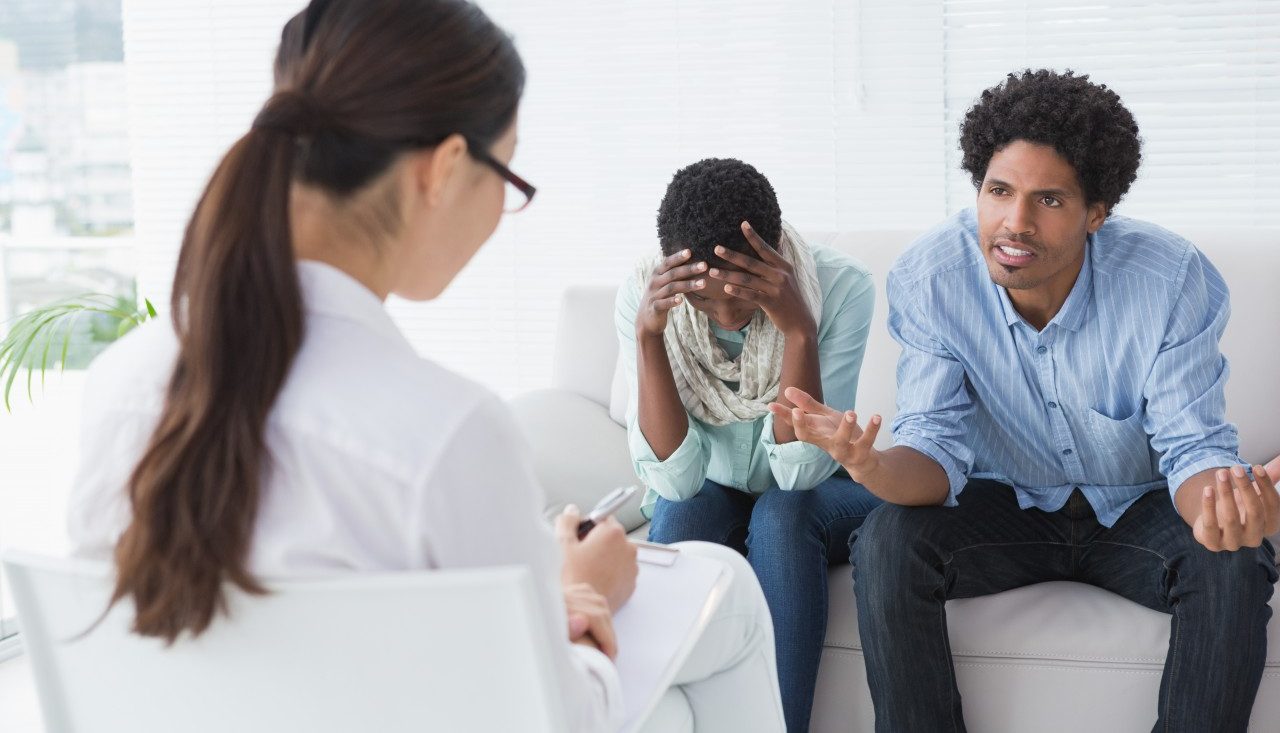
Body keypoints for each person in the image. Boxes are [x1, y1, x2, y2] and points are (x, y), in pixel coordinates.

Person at [64, 1, 784, 730]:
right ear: (444, 168)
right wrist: (586, 591)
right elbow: (554, 719)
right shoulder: (445, 435)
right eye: (507, 171)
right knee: (725, 589)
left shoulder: (118, 388)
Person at [771, 69, 1279, 732]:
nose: (1015, 222)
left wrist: (1226, 508)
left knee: (1235, 558)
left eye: (1050, 201)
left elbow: (1191, 451)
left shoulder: (1170, 278)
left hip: (1137, 504)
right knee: (887, 539)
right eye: (999, 191)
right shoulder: (933, 277)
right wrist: (868, 464)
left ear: (1096, 213)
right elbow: (933, 451)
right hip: (999, 501)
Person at [616, 157, 880, 731]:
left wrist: (798, 330)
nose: (729, 315)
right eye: (706, 301)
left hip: (822, 492)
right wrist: (647, 338)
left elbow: (801, 473)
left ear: (775, 252)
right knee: (684, 511)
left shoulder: (842, 288)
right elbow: (673, 480)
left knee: (782, 514)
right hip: (714, 489)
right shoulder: (645, 297)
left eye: (744, 293)